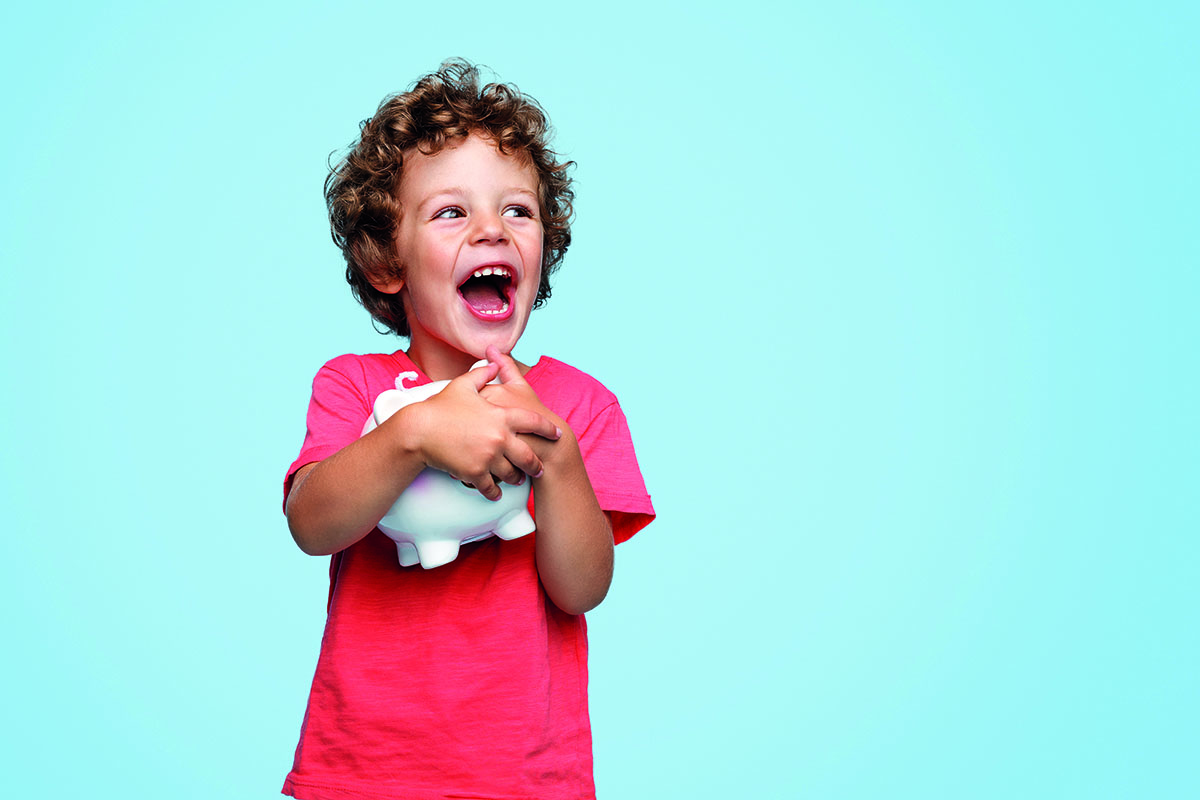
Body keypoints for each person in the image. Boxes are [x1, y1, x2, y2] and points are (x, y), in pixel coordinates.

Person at [282, 59, 654, 800]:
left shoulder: (579, 406)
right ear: (387, 261)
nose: (492, 228)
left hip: (524, 776)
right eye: (452, 212)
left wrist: (564, 463)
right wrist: (413, 434)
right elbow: (312, 525)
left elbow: (581, 590)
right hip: (362, 771)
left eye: (518, 212)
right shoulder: (353, 386)